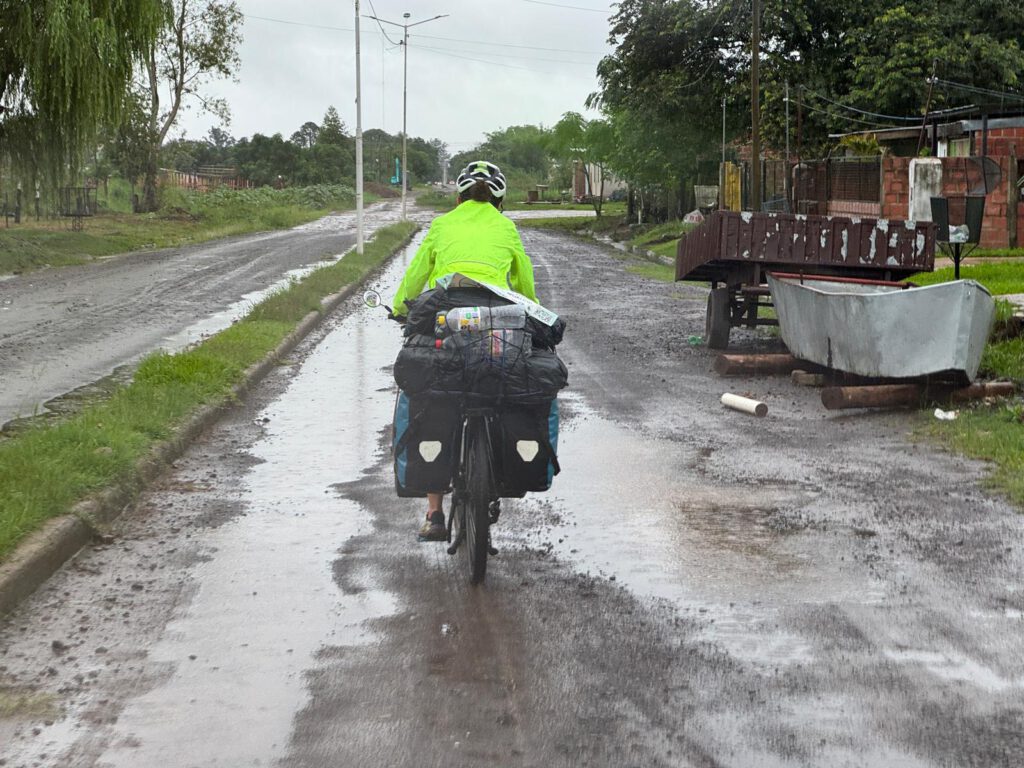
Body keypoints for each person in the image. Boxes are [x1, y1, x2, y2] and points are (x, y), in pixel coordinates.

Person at [391, 160, 537, 541]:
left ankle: (434, 514)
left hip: (446, 318)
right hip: (496, 322)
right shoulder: (506, 227)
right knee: (503, 386)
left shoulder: (442, 224)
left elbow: (416, 275)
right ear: (500, 202)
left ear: (458, 198)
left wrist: (400, 307)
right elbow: (524, 280)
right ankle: (501, 467)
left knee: (433, 398)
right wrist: (534, 313)